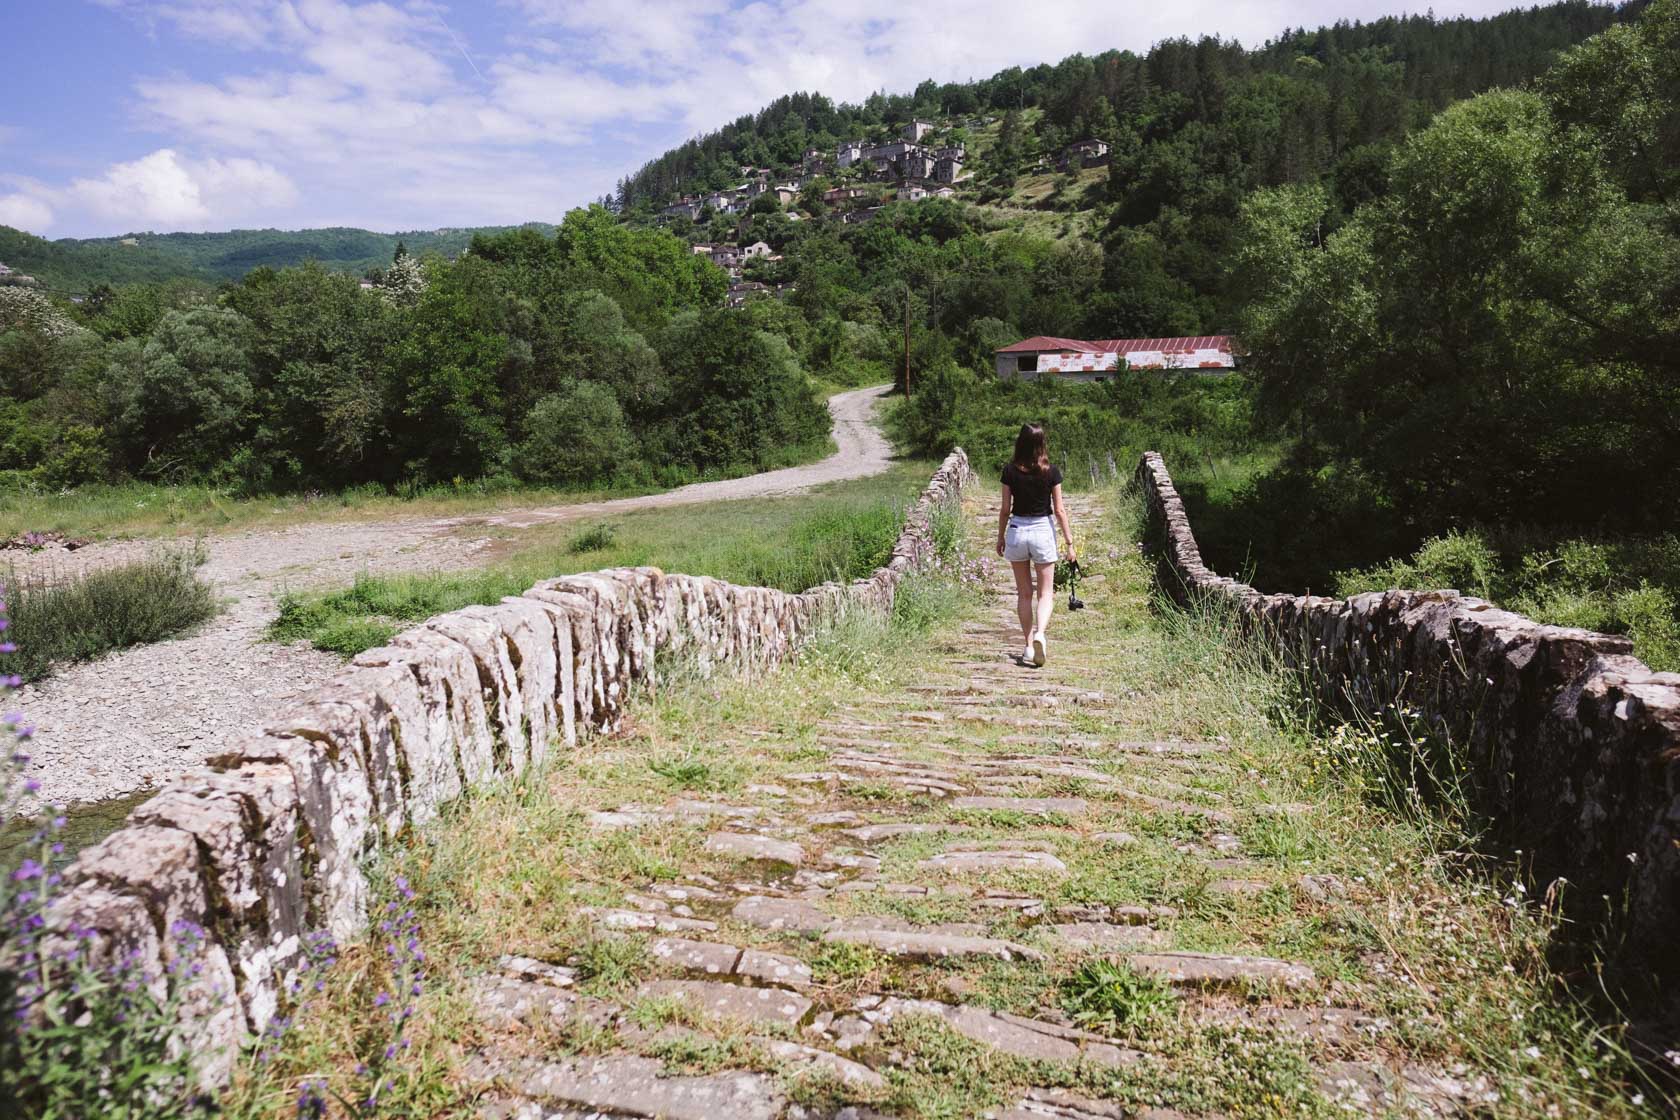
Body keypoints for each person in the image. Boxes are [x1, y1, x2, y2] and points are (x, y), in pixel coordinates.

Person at [995, 422, 1076, 666]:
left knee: (1024, 593)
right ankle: (1041, 632)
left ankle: (1029, 646)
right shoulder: (1051, 472)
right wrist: (1070, 542)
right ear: (1042, 444)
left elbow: (1005, 509)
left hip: (1018, 531)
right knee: (1045, 593)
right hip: (1042, 531)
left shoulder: (1009, 471)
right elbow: (1060, 510)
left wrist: (1000, 537)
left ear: (1020, 442)